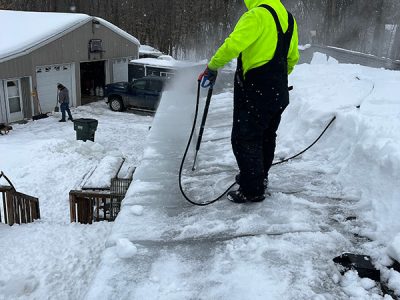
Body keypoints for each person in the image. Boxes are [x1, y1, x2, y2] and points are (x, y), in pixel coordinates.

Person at [199, 0, 300, 203]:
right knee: (266, 137)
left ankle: (252, 189)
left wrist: (212, 66)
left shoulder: (256, 16)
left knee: (245, 139)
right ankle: (258, 178)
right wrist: (275, 78)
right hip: (278, 91)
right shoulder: (288, 18)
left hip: (256, 91)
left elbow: (233, 45)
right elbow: (292, 58)